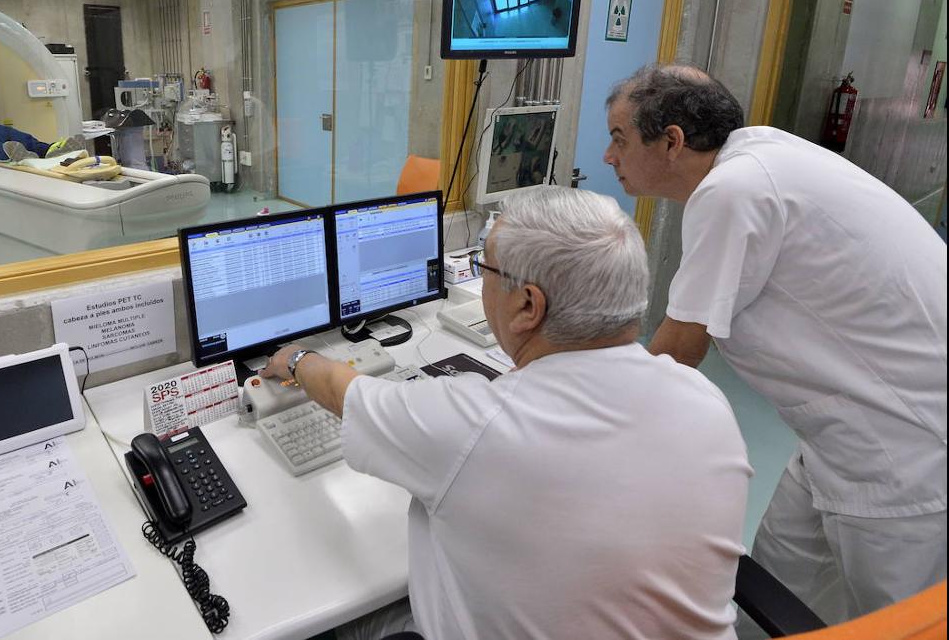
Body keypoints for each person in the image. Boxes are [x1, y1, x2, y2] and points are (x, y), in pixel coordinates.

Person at [263, 185, 752, 640]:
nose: (479, 279)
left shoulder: (473, 424)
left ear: (528, 306)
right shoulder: (705, 400)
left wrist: (297, 358)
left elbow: (340, 391)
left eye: (484, 269)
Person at [602, 64, 947, 623]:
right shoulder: (762, 155)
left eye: (619, 139)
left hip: (905, 448)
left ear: (671, 141)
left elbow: (680, 349)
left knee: (897, 621)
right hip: (835, 434)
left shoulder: (732, 191)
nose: (607, 157)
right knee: (781, 581)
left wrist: (577, 414)